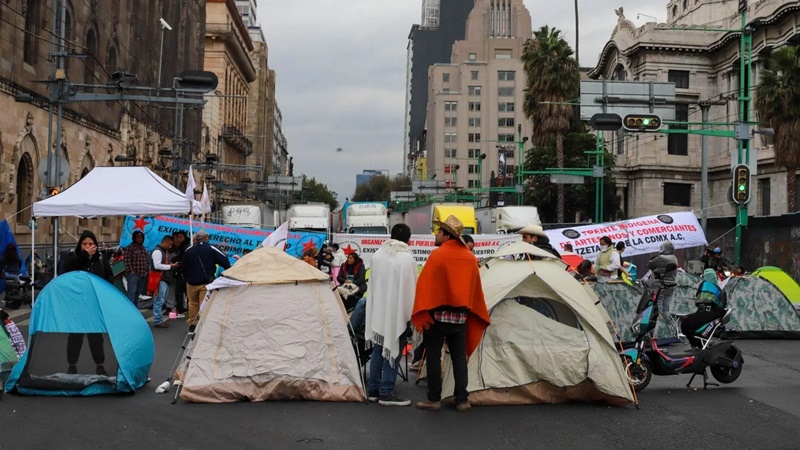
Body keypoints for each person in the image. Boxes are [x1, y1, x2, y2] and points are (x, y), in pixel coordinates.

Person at [412, 215, 490, 412]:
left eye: (439, 231)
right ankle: (462, 399)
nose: (436, 234)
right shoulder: (470, 258)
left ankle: (434, 399)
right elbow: (475, 291)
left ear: (447, 236)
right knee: (459, 358)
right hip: (461, 318)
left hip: (436, 317)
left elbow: (425, 286)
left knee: (433, 355)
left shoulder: (437, 256)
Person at [364, 224, 417, 407]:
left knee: (379, 349)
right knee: (393, 349)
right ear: (409, 239)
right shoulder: (406, 257)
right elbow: (410, 289)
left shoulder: (378, 254)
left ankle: (373, 390)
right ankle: (386, 392)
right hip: (396, 312)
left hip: (379, 311)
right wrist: (409, 313)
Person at [61, 230, 113, 375]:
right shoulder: (74, 257)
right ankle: (72, 364)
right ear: (80, 245)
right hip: (77, 303)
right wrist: (85, 256)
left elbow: (109, 275)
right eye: (84, 244)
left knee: (96, 336)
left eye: (90, 244)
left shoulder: (101, 259)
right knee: (75, 336)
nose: (87, 246)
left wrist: (106, 291)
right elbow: (67, 269)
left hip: (95, 303)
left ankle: (99, 364)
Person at [182, 230, 231, 332]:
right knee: (203, 304)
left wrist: (187, 278)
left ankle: (192, 324)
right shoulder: (210, 248)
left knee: (192, 303)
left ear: (196, 239)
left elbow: (183, 268)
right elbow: (224, 261)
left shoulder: (189, 250)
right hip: (205, 282)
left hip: (191, 283)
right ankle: (202, 325)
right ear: (206, 237)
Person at [681, 268, 727, 348]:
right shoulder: (719, 289)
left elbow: (698, 301)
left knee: (686, 323)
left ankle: (696, 343)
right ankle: (697, 343)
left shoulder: (704, 286)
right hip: (711, 313)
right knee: (688, 322)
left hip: (708, 313)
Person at [645, 241, 679, 319]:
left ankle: (659, 326)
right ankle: (669, 325)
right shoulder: (674, 258)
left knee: (658, 308)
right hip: (671, 286)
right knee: (666, 308)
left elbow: (649, 264)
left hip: (660, 287)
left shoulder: (661, 258)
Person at [150, 235, 178, 329]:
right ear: (165, 242)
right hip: (160, 278)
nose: (170, 247)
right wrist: (170, 266)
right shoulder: (158, 252)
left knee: (161, 299)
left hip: (164, 278)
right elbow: (157, 265)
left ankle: (159, 319)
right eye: (169, 245)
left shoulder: (163, 251)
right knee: (159, 300)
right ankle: (157, 320)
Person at [125, 231, 149, 307]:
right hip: (134, 274)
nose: (140, 239)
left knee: (137, 293)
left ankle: (135, 308)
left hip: (143, 274)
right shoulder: (130, 248)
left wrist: (146, 271)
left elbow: (147, 259)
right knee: (131, 293)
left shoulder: (143, 248)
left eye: (141, 237)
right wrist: (131, 271)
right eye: (138, 237)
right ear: (134, 238)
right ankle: (130, 309)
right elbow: (127, 260)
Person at [169, 231, 189, 317]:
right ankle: (182, 309)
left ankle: (184, 309)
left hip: (184, 273)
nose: (179, 239)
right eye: (178, 237)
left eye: (180, 237)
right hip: (180, 273)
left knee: (183, 291)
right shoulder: (180, 247)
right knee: (180, 292)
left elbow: (182, 258)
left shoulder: (186, 247)